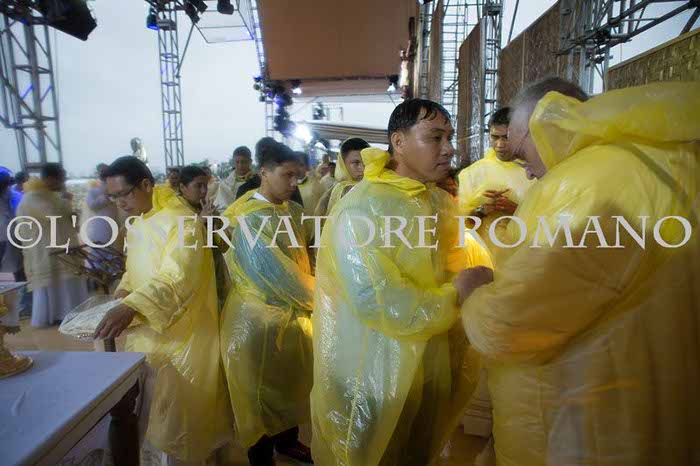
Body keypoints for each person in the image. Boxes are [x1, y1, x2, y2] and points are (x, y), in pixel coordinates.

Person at [462, 78, 700, 465]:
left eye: (524, 155)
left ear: (551, 125)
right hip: (665, 401)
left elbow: (512, 323)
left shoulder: (584, 185)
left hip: (598, 422)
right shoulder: (664, 159)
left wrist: (474, 291)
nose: (528, 174)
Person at [310, 99, 494, 466]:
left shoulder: (437, 201)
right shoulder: (363, 208)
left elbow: (449, 265)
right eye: (435, 137)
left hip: (429, 365)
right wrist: (456, 294)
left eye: (449, 137)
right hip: (375, 375)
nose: (449, 148)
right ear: (399, 141)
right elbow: (374, 298)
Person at [94, 156, 232, 465]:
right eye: (113, 197)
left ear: (146, 184)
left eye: (123, 194)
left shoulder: (181, 221)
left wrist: (132, 305)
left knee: (178, 418)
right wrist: (124, 290)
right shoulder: (139, 221)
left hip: (182, 336)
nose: (119, 203)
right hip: (147, 329)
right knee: (151, 411)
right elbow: (136, 268)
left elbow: (178, 278)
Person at [221, 143, 314, 466]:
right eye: (287, 175)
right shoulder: (249, 220)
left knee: (288, 386)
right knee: (258, 397)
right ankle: (261, 457)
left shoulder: (293, 211)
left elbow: (304, 258)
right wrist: (325, 299)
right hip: (258, 319)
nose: (293, 183)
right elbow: (279, 277)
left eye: (297, 176)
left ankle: (288, 442)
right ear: (264, 172)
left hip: (291, 315)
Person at [15, 164, 87, 327]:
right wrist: (64, 199)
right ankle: (56, 315)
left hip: (61, 246)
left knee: (67, 282)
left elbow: (68, 217)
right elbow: (52, 213)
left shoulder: (51, 195)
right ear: (50, 178)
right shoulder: (33, 196)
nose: (63, 182)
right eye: (61, 178)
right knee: (55, 283)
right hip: (45, 249)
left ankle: (70, 313)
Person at [457, 107, 535, 253]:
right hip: (483, 256)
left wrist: (517, 210)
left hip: (526, 254)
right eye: (495, 137)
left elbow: (550, 221)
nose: (499, 145)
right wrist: (481, 210)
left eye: (506, 137)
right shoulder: (471, 174)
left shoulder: (535, 172)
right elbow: (459, 226)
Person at [236, 138, 305, 206]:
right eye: (288, 174)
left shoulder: (293, 203)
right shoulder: (244, 194)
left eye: (296, 175)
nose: (294, 183)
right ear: (263, 172)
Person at [314, 137, 369, 217]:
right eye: (355, 163)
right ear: (343, 164)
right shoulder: (332, 195)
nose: (362, 168)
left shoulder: (376, 188)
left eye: (366, 161)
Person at [80, 163, 120, 246]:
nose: (104, 173)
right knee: (101, 243)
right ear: (98, 172)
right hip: (100, 221)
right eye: (102, 171)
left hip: (114, 216)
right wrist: (105, 197)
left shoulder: (114, 184)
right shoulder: (93, 187)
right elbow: (91, 205)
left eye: (106, 171)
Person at [296, 151, 323, 217]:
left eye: (301, 165)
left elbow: (323, 205)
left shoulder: (315, 184)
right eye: (294, 165)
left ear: (307, 167)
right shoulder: (287, 187)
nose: (297, 169)